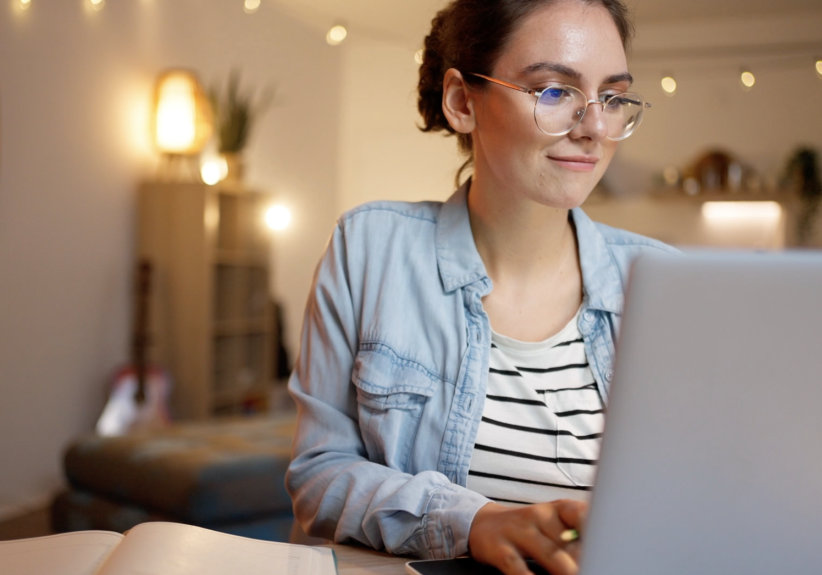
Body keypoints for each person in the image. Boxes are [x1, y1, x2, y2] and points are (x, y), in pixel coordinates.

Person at [285, 1, 678, 574]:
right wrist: (475, 522)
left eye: (612, 98)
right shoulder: (369, 247)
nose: (594, 127)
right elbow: (318, 476)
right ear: (462, 101)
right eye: (553, 91)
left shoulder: (663, 284)